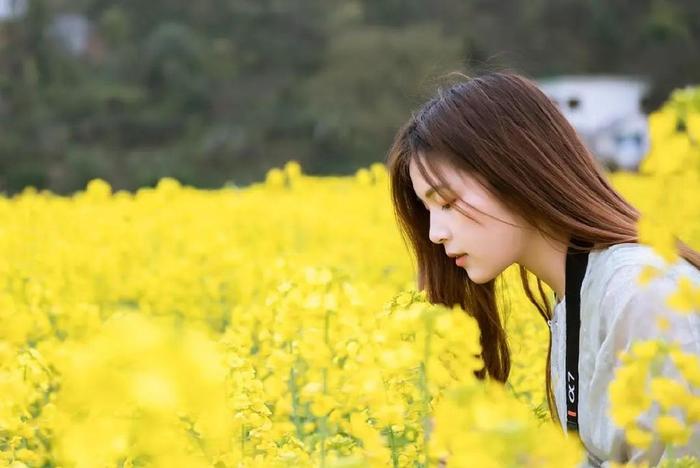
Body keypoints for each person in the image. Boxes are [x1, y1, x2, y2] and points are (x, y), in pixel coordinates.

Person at [385, 70, 700, 467]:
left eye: (446, 202)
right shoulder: (576, 296)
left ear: (513, 170)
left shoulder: (640, 292)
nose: (435, 233)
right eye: (428, 211)